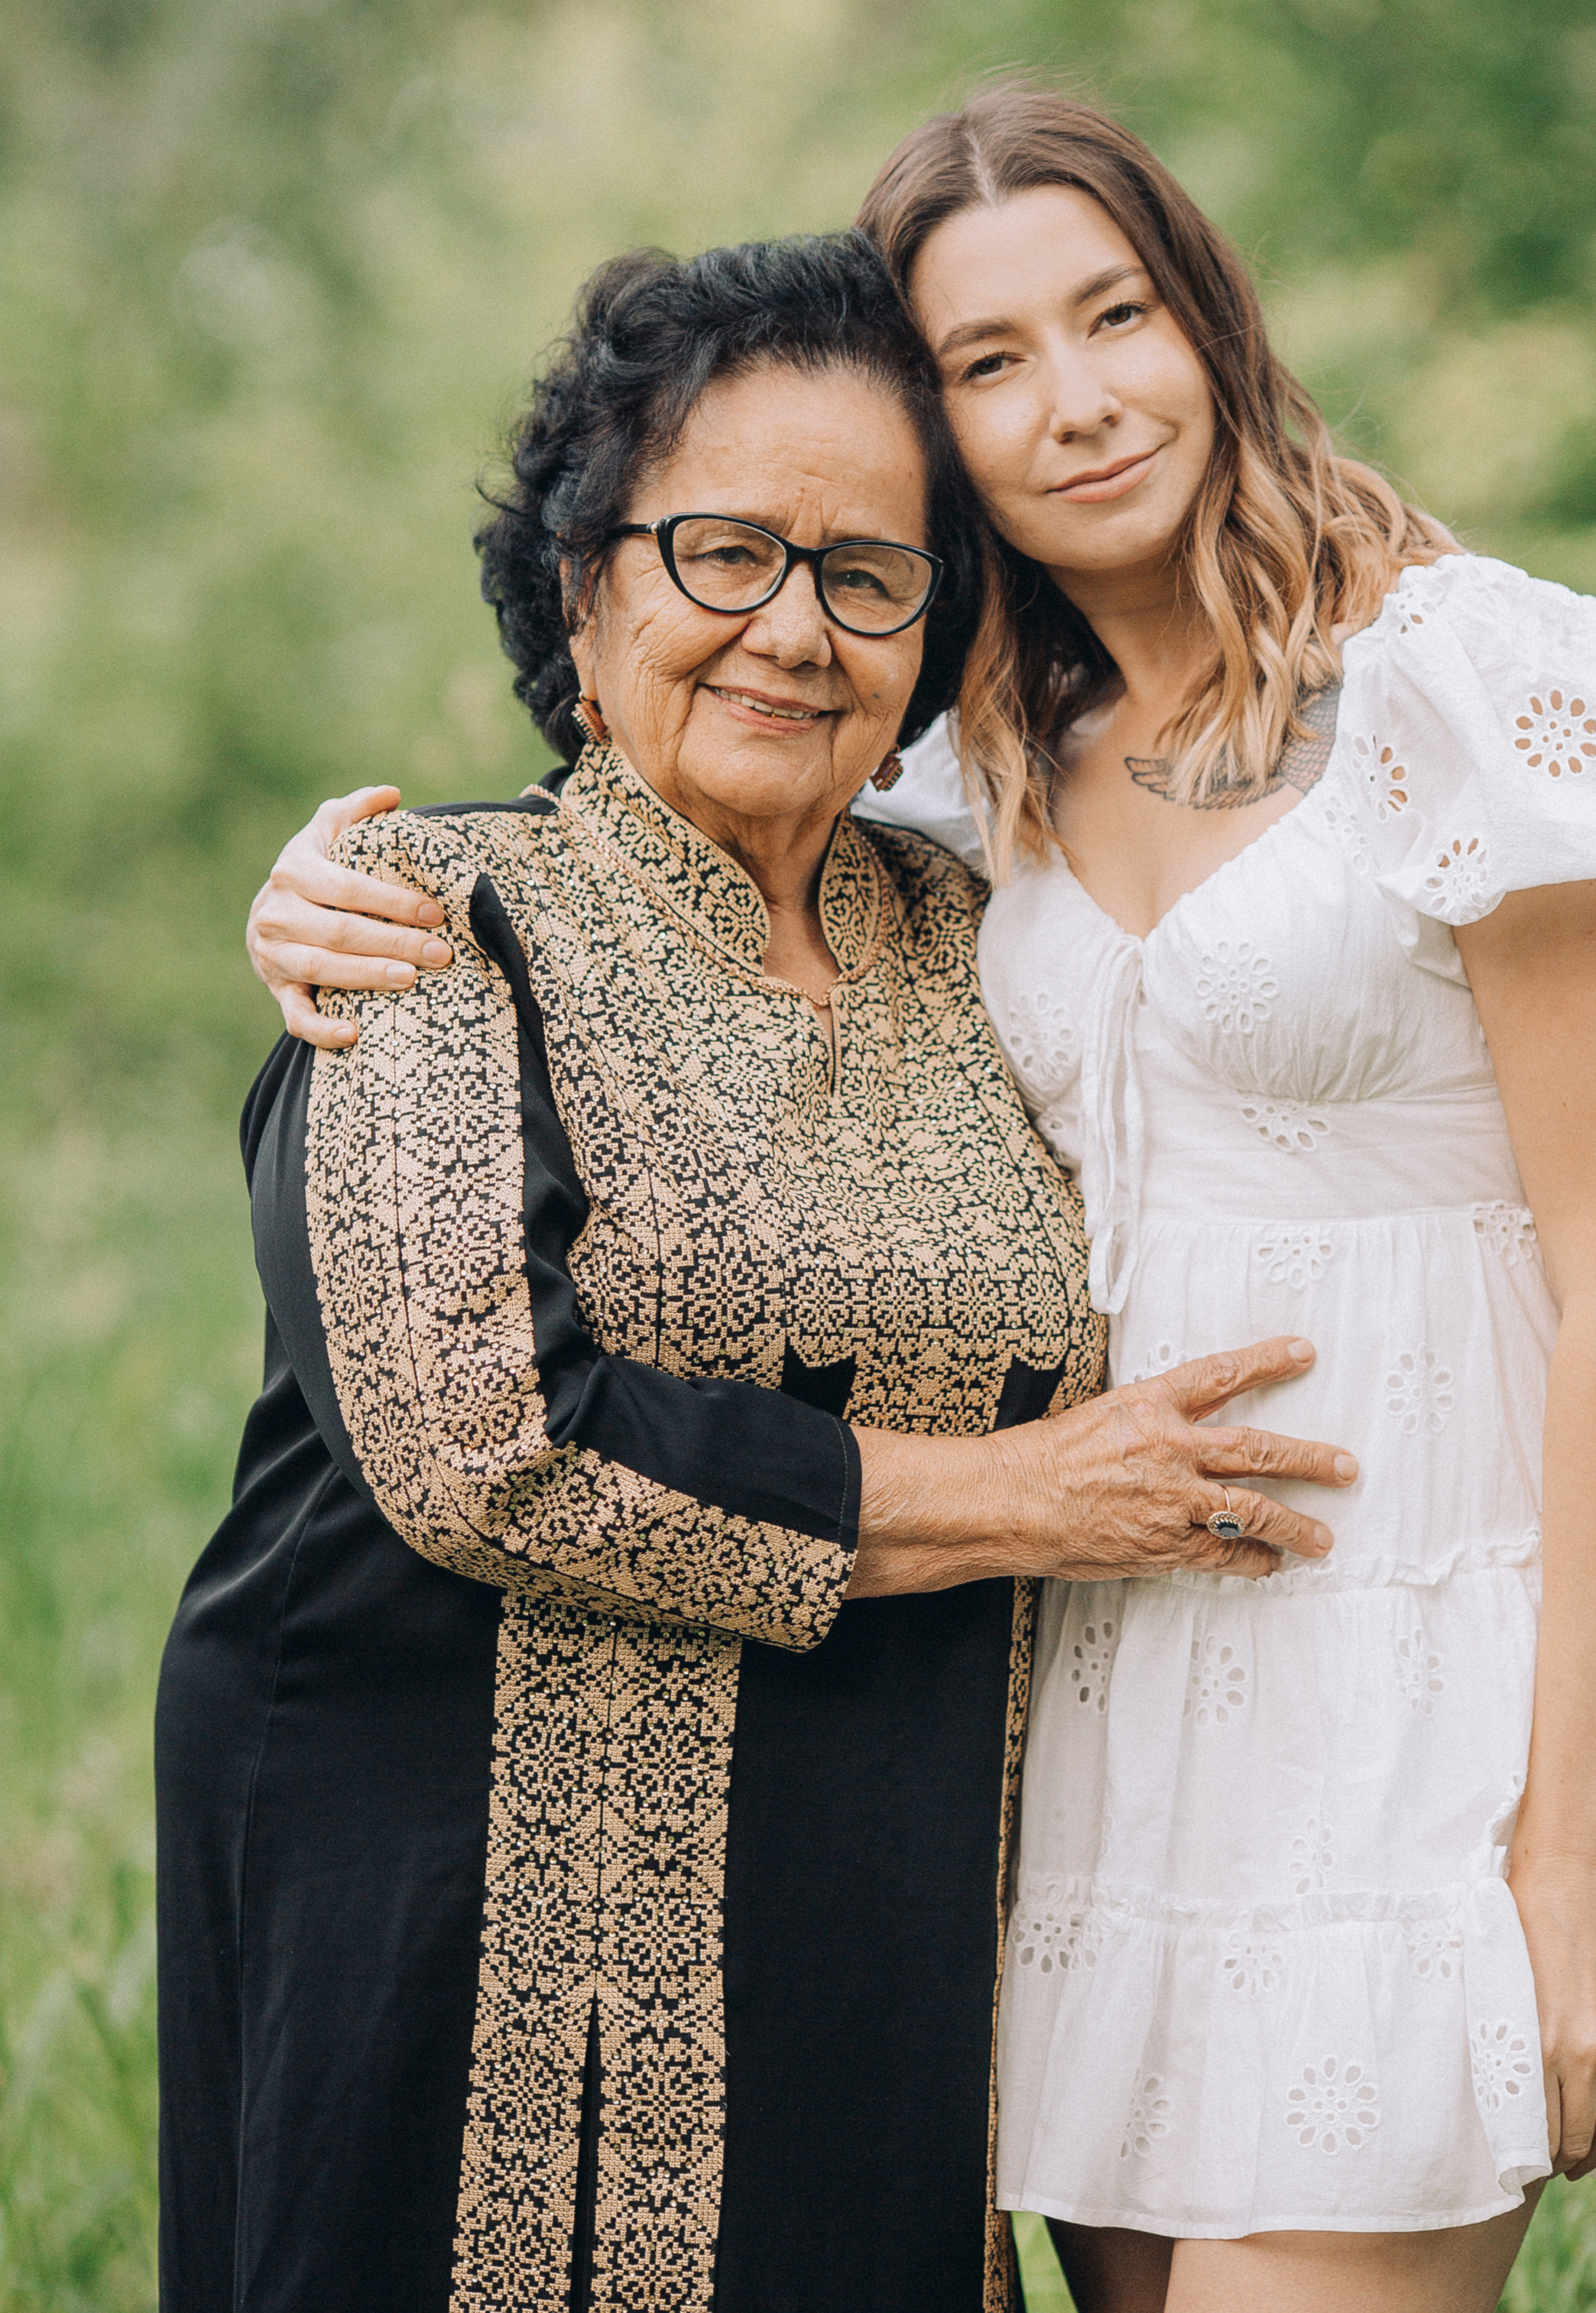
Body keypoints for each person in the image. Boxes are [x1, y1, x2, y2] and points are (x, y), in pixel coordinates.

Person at [247, 92, 1596, 2313]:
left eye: (1116, 315)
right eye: (990, 362)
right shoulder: (969, 763)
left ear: (1208, 323)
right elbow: (667, 850)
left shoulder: (1486, 684)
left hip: (1417, 1647)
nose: (1080, 398)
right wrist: (318, 895)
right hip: (1090, 1694)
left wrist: (1572, 1856)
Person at [160, 228, 1362, 2313]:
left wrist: (1535, 1398)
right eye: (723, 551)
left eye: (868, 572)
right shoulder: (434, 920)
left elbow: (1252, 1188)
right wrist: (1022, 1497)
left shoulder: (979, 933)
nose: (793, 630)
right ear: (583, 581)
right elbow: (484, 1449)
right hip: (444, 1882)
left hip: (863, 1883)